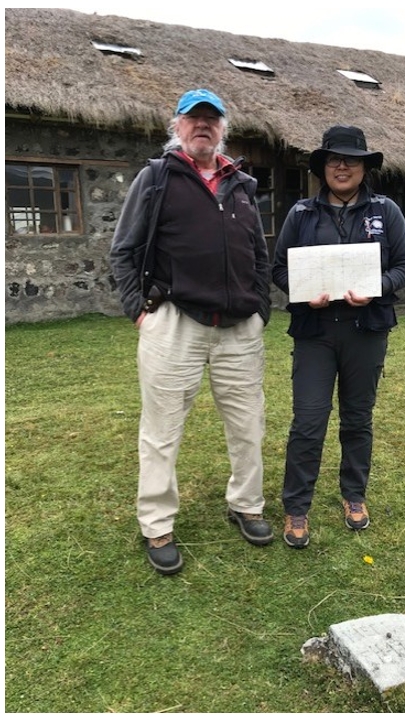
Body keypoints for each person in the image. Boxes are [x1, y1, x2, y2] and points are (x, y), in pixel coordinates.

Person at [110, 88, 274, 575]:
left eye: (212, 119)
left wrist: (261, 306)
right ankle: (157, 523)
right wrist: (139, 311)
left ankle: (246, 504)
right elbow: (124, 249)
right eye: (193, 118)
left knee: (248, 425)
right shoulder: (156, 178)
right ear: (176, 126)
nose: (203, 126)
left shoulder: (242, 184)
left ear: (224, 128)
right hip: (174, 322)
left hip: (240, 328)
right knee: (162, 432)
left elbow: (258, 253)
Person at [272, 125, 405, 548]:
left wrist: (377, 288)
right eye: (334, 159)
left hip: (365, 331)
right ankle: (296, 506)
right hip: (314, 332)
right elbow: (279, 268)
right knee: (309, 420)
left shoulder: (386, 212)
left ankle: (354, 495)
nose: (341, 166)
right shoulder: (301, 215)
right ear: (323, 167)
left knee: (357, 419)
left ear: (364, 167)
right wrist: (303, 294)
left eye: (351, 160)